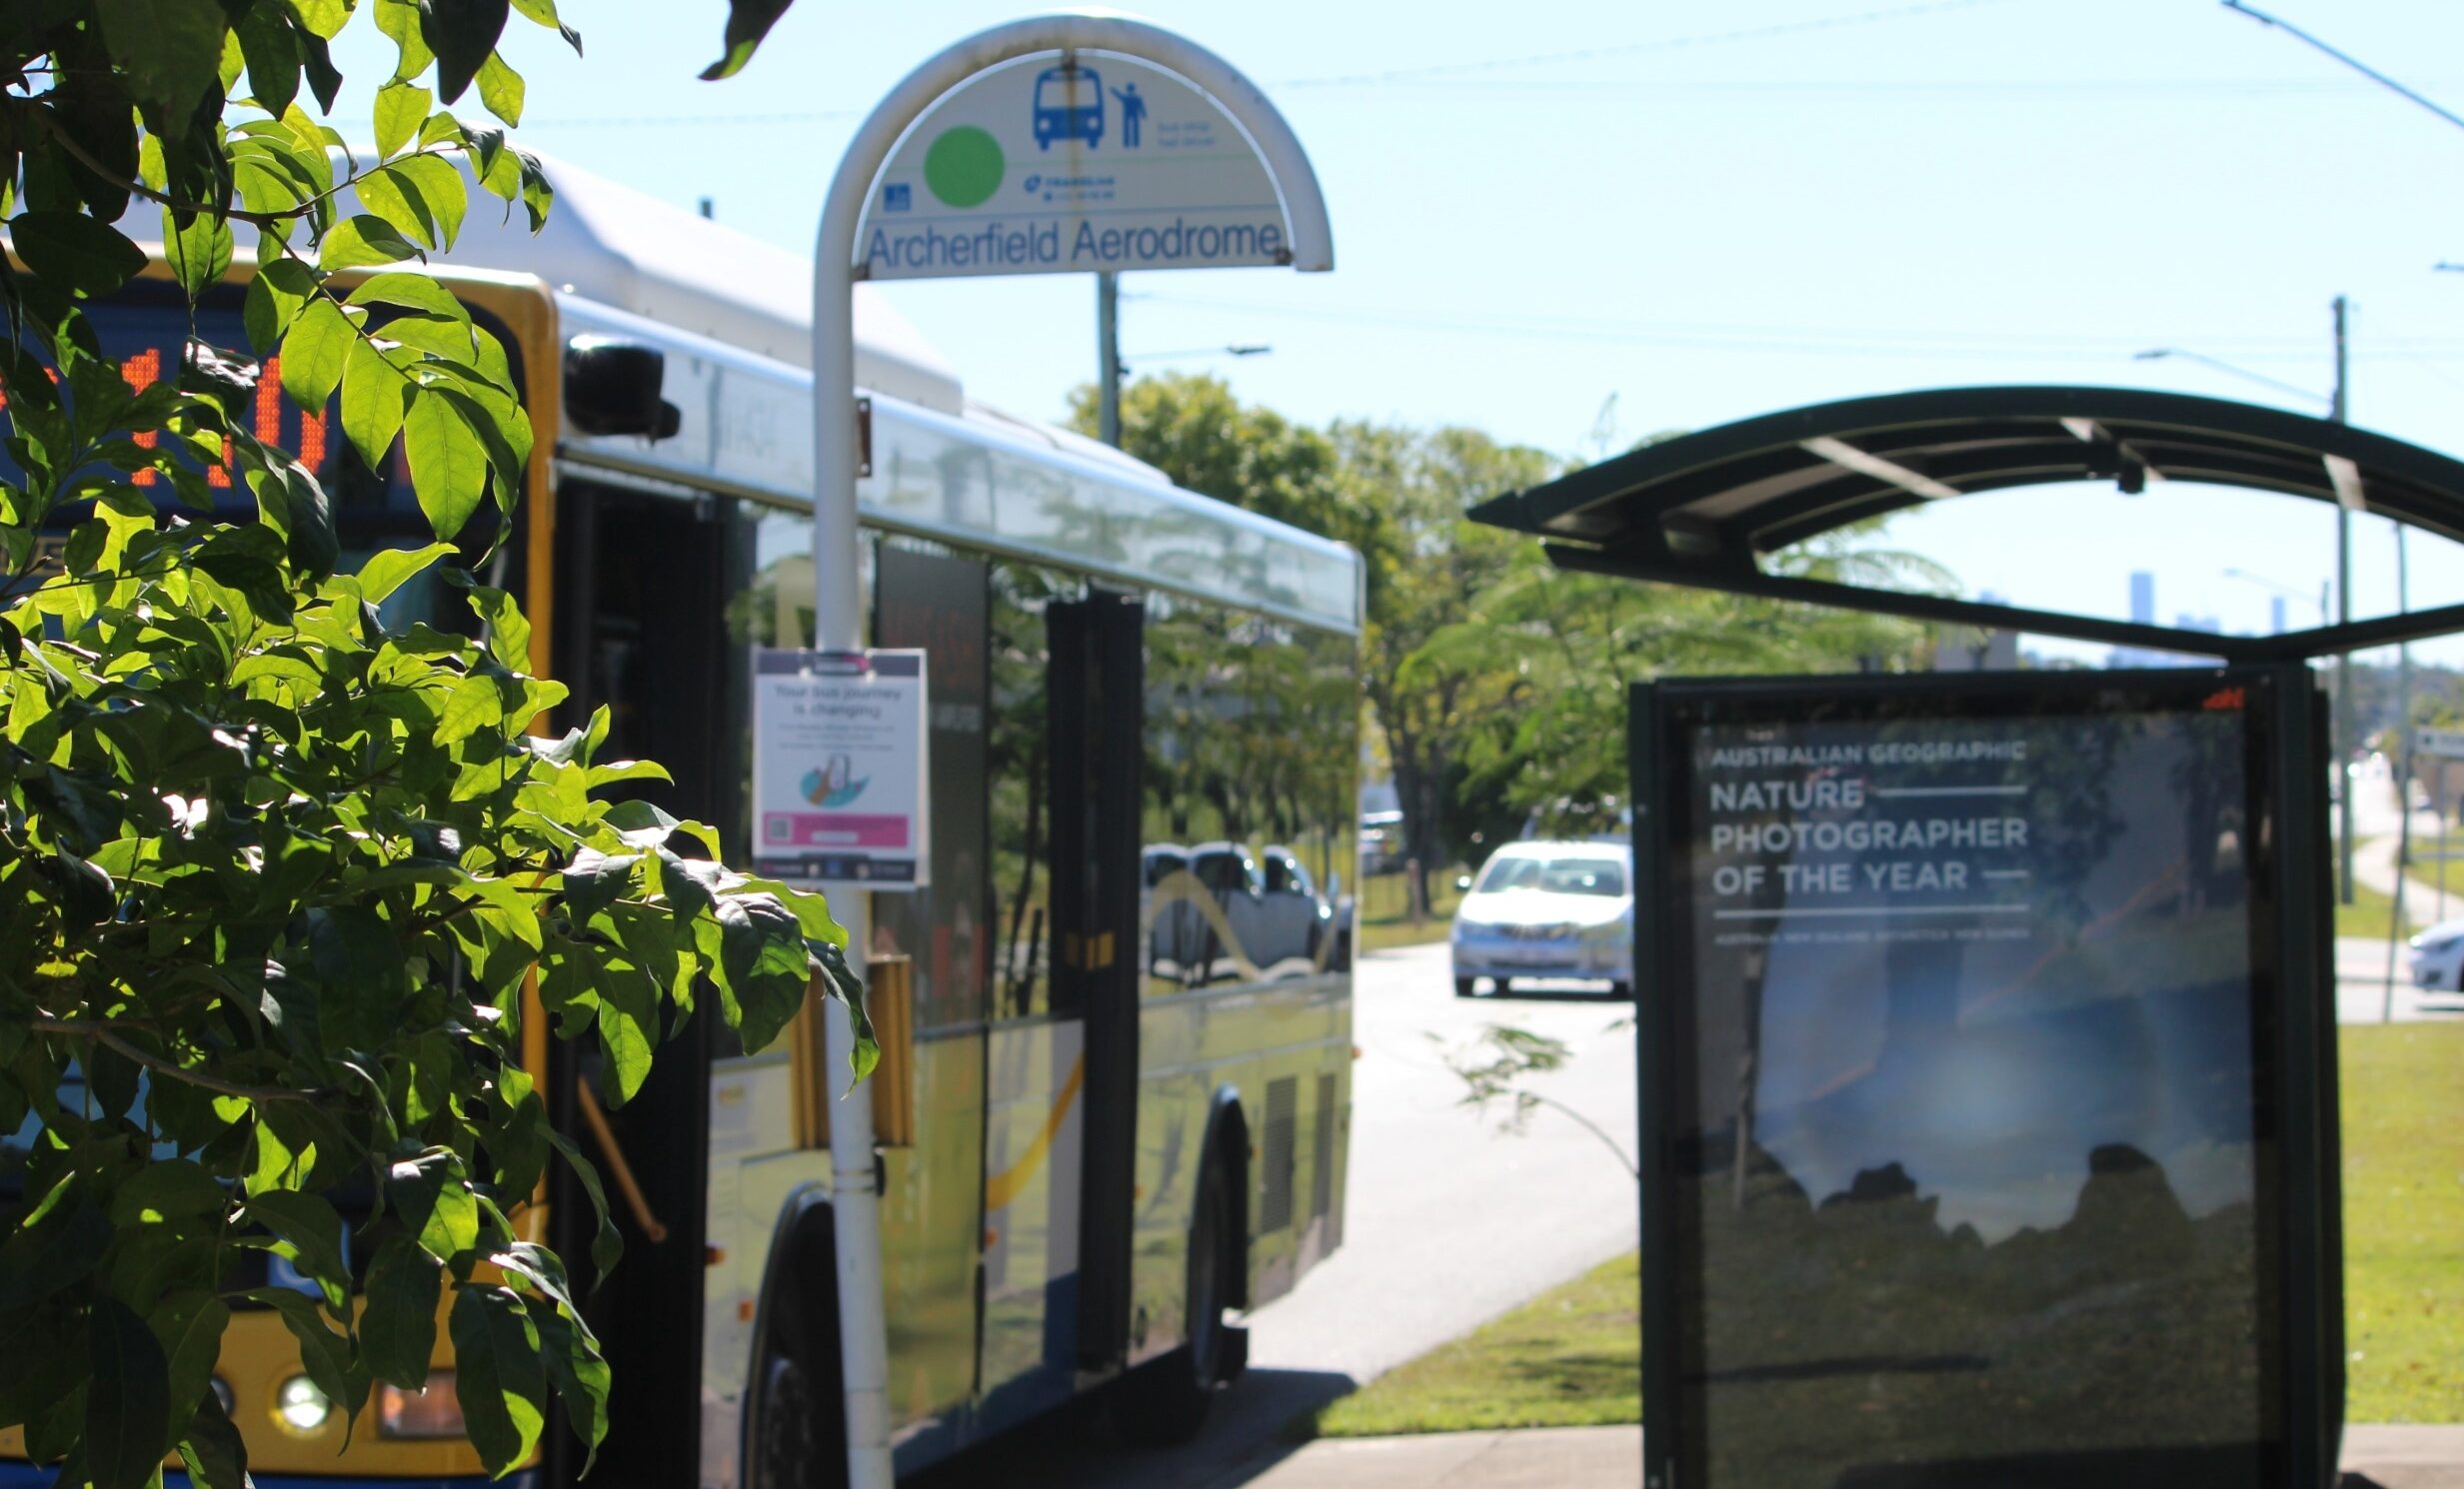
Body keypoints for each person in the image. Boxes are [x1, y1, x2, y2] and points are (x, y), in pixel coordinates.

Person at [1112, 81, 1148, 147]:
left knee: (1128, 129)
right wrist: (1143, 114)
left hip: (1128, 114)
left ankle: (1127, 143)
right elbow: (1141, 107)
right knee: (1133, 129)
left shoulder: (1128, 97)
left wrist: (1114, 91)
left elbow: (1119, 96)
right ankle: (1134, 143)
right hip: (1133, 114)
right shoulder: (1136, 97)